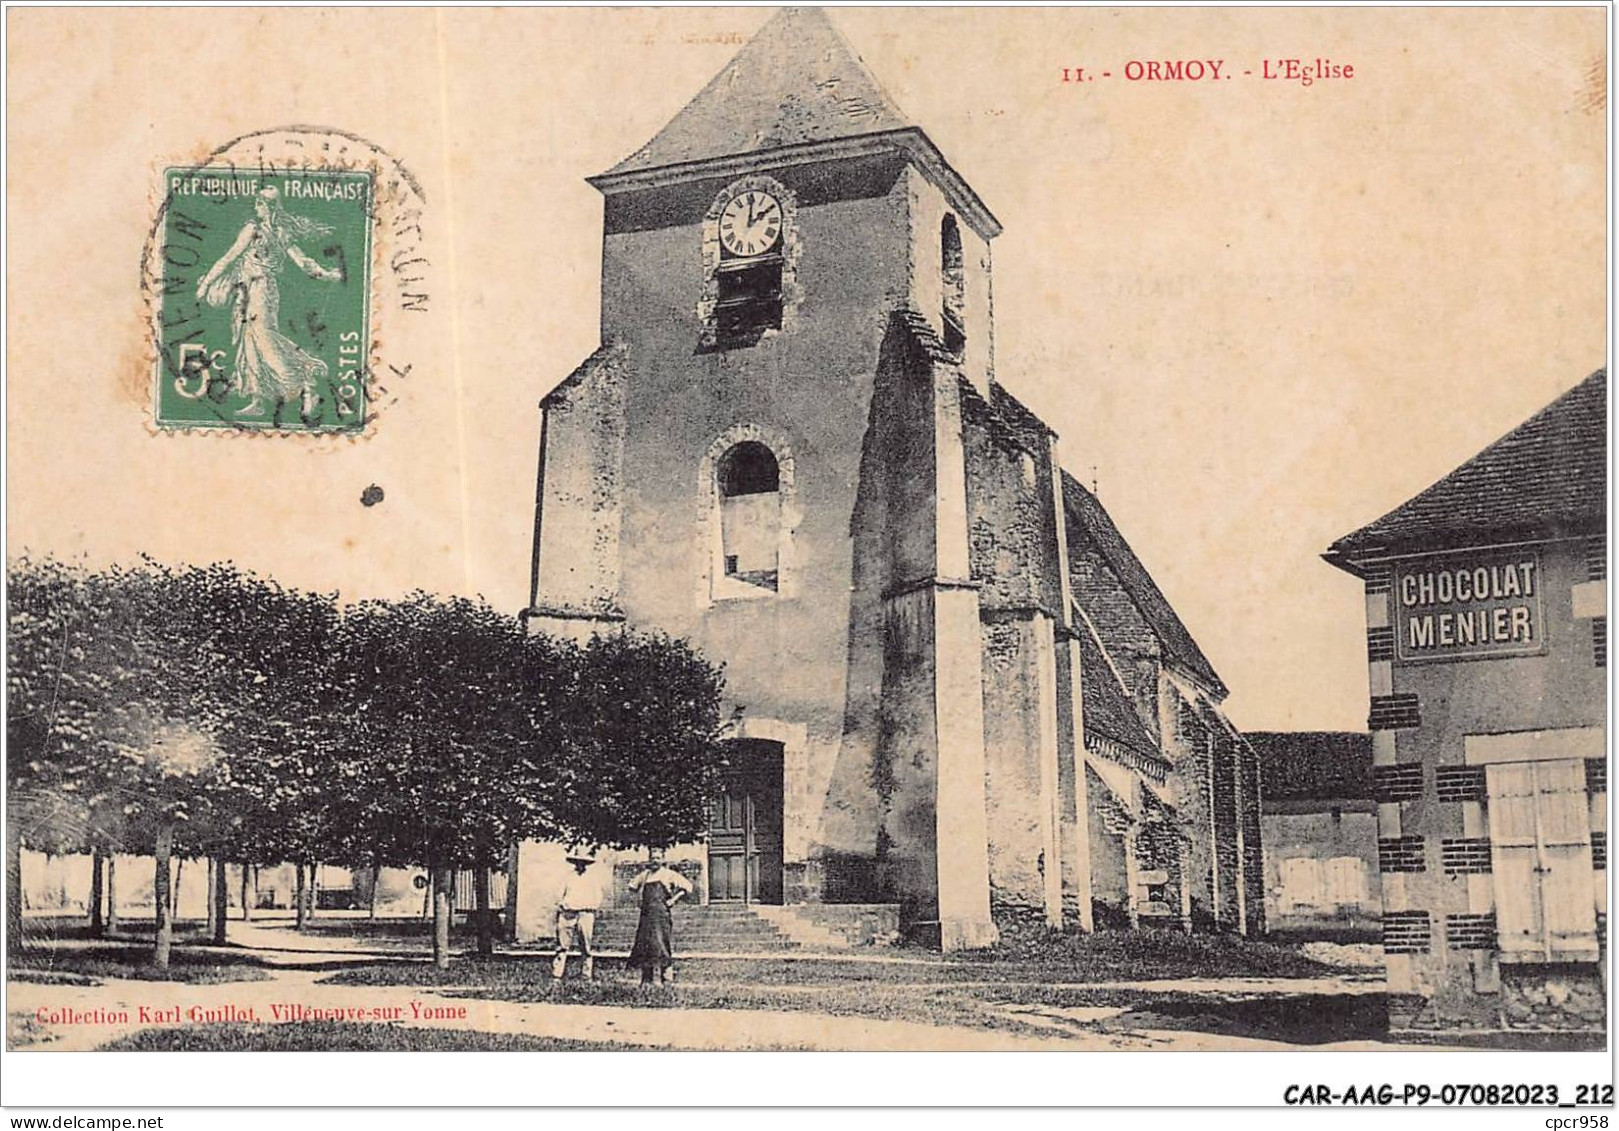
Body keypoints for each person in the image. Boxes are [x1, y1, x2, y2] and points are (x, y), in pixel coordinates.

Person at [195, 185, 341, 421]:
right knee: (249, 342)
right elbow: (303, 263)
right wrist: (326, 274)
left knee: (264, 338)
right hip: (250, 291)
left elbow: (229, 258)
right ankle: (257, 399)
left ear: (268, 207)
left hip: (261, 291)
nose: (256, 207)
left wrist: (204, 286)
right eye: (256, 203)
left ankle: (305, 382)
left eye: (259, 203)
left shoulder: (261, 230)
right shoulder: (271, 230)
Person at [627, 849, 694, 986]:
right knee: (645, 945)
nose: (655, 861)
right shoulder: (645, 875)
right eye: (653, 858)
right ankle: (647, 980)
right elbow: (631, 887)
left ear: (663, 860)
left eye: (658, 858)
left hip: (661, 914)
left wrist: (673, 900)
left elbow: (688, 887)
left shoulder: (669, 874)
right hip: (646, 915)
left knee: (662, 943)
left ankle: (667, 979)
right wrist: (638, 901)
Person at [551, 847, 604, 983]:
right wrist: (563, 905)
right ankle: (557, 975)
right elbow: (558, 894)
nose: (581, 865)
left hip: (585, 914)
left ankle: (586, 976)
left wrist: (592, 908)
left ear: (587, 864)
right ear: (575, 863)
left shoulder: (593, 879)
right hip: (568, 914)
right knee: (562, 946)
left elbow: (598, 896)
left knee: (586, 946)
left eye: (583, 862)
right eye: (578, 862)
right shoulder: (568, 877)